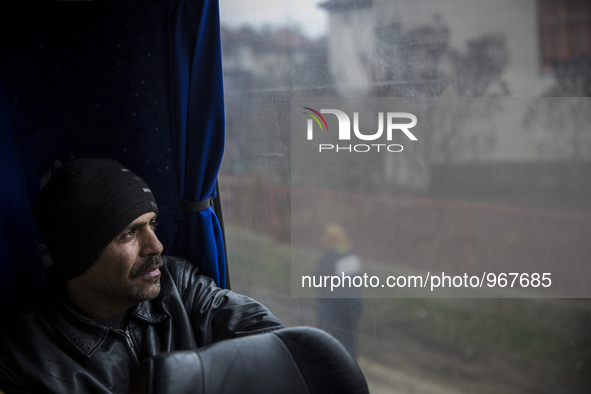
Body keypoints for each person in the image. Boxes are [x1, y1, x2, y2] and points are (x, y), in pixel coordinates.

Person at [0, 158, 284, 394]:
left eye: (152, 224)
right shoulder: (25, 361)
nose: (157, 246)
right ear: (79, 255)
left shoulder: (178, 284)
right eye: (129, 233)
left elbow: (276, 342)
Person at [315, 224, 363, 359]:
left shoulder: (330, 257)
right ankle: (351, 369)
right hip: (352, 305)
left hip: (333, 306)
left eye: (325, 236)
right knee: (349, 340)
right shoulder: (352, 254)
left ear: (331, 239)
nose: (322, 239)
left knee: (326, 339)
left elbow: (317, 280)